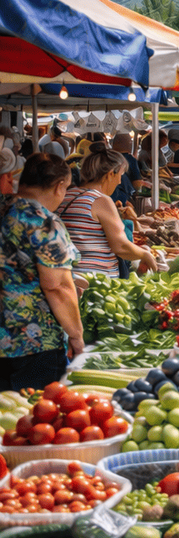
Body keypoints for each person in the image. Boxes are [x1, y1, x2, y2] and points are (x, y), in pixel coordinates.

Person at [0, 154, 85, 389]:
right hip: (32, 341)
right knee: (29, 415)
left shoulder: (4, 207)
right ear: (59, 186)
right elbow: (56, 285)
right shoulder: (44, 223)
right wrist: (76, 336)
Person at [56, 149, 157, 278]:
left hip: (70, 277)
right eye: (120, 175)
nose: (120, 181)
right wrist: (145, 254)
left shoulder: (68, 195)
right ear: (110, 174)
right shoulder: (100, 200)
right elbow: (120, 246)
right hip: (95, 280)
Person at [109, 134, 142, 207]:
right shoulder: (130, 159)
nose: (119, 181)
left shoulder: (109, 157)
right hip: (120, 198)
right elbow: (137, 184)